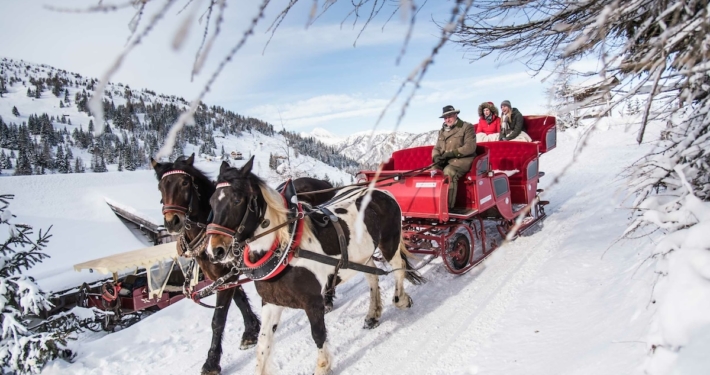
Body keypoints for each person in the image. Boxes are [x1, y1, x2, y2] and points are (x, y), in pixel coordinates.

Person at [431, 105, 477, 211]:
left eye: (450, 116)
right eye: (445, 117)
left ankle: (447, 207)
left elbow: (470, 147)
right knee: (433, 171)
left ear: (456, 115)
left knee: (449, 171)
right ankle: (433, 204)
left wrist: (452, 153)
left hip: (464, 159)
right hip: (447, 159)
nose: (447, 119)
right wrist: (436, 156)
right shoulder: (442, 131)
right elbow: (437, 147)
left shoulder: (466, 127)